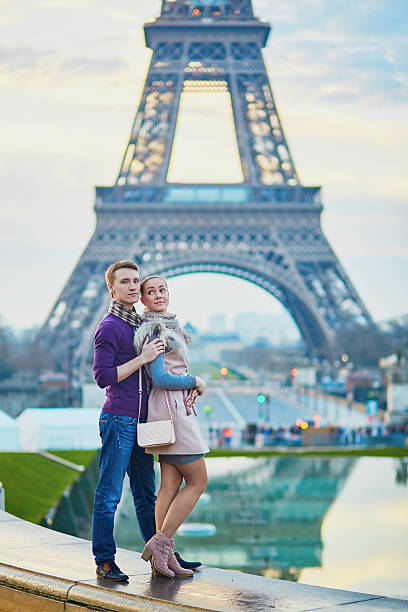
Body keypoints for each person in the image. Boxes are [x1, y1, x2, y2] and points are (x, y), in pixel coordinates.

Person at [92, 261, 202, 582]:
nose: (130, 286)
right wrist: (142, 358)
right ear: (112, 288)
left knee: (145, 494)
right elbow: (102, 377)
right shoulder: (111, 326)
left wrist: (189, 385)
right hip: (119, 419)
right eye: (124, 282)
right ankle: (104, 560)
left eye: (134, 282)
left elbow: (160, 375)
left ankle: (160, 552)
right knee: (110, 494)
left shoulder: (139, 324)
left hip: (142, 422)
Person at [133, 275, 209, 578]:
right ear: (143, 299)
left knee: (169, 486)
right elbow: (161, 377)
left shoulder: (166, 325)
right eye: (150, 291)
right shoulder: (155, 329)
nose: (158, 294)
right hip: (173, 410)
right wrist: (195, 381)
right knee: (199, 482)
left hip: (170, 407)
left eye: (162, 289)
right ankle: (161, 542)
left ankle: (161, 557)